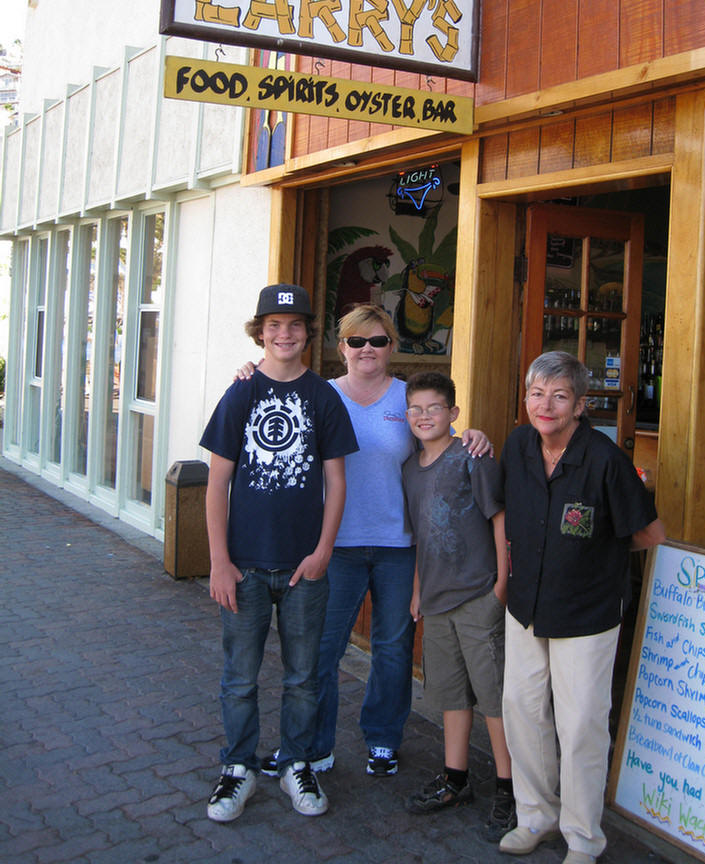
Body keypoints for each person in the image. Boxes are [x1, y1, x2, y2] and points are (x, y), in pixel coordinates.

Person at [239, 303, 490, 779]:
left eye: (377, 340)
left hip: (399, 545)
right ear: (342, 348)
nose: (367, 349)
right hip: (335, 545)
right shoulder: (319, 394)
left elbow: (441, 441)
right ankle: (314, 746)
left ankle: (382, 739)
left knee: (393, 649)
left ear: (392, 346)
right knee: (321, 650)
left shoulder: (405, 397)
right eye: (357, 341)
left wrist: (473, 434)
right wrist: (250, 373)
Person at [497, 351, 666, 864]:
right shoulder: (519, 444)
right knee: (523, 714)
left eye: (559, 395)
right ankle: (536, 817)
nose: (545, 405)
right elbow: (507, 510)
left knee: (580, 724)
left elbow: (651, 534)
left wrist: (601, 552)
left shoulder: (605, 460)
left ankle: (583, 837)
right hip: (526, 604)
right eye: (536, 393)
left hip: (587, 612)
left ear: (580, 404)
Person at [199, 283, 359, 823]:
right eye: (274, 326)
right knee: (239, 678)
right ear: (260, 333)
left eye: (294, 326)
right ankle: (238, 767)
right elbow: (216, 481)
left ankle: (296, 762)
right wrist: (219, 561)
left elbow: (336, 482)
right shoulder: (241, 392)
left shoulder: (323, 397)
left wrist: (322, 552)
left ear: (307, 335)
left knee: (303, 675)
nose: (284, 334)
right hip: (242, 566)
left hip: (302, 569)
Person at [402, 371, 516, 843]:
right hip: (436, 596)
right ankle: (455, 778)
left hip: (477, 594)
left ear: (454, 413)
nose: (424, 416)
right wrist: (416, 591)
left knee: (494, 699)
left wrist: (500, 588)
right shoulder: (409, 467)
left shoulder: (473, 457)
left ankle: (511, 790)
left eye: (434, 408)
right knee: (450, 694)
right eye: (416, 409)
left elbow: (500, 521)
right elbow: (420, 536)